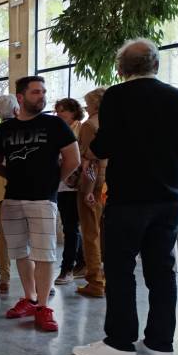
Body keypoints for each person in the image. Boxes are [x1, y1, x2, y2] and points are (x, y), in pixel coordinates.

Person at [73, 39, 178, 355]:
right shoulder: (177, 97)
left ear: (121, 69)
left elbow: (105, 143)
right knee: (162, 272)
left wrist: (93, 153)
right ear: (156, 65)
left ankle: (120, 344)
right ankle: (161, 346)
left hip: (128, 198)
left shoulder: (118, 96)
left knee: (120, 270)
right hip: (167, 199)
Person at [0, 76, 80, 332]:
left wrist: (54, 182)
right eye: (35, 92)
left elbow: (72, 158)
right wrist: (12, 177)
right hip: (12, 198)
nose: (41, 96)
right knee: (19, 251)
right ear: (20, 97)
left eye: (43, 92)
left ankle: (43, 306)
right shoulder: (4, 130)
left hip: (43, 198)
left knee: (44, 253)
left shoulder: (53, 124)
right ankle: (29, 298)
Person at [74, 88, 107, 297]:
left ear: (95, 105)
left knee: (90, 233)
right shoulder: (114, 123)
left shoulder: (89, 125)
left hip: (93, 184)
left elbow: (88, 162)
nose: (85, 107)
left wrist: (86, 190)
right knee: (105, 233)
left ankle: (95, 281)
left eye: (87, 103)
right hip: (110, 184)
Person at [53, 98, 86, 285]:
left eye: (63, 110)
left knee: (70, 227)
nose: (59, 114)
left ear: (74, 111)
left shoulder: (80, 129)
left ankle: (67, 268)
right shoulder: (60, 129)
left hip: (74, 185)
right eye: (57, 111)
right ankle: (81, 262)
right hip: (62, 184)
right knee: (71, 226)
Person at [0, 94, 19, 294]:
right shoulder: (23, 128)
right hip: (22, 183)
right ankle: (37, 277)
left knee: (3, 232)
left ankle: (4, 277)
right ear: (16, 108)